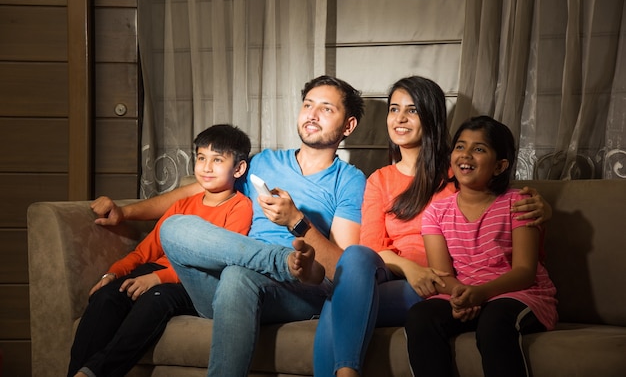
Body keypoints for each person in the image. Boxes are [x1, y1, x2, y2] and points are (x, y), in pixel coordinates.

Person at [92, 75, 367, 376]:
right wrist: (125, 212)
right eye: (308, 105)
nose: (312, 114)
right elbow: (189, 192)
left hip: (298, 288)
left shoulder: (349, 180)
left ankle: (284, 263)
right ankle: (279, 260)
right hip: (227, 285)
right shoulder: (264, 162)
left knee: (237, 276)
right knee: (174, 227)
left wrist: (296, 222)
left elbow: (345, 267)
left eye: (326, 109)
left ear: (348, 126)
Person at [312, 76, 552, 377]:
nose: (400, 118)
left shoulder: (458, 171)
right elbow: (372, 248)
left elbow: (497, 205)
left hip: (444, 281)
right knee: (356, 258)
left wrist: (543, 206)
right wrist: (410, 268)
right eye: (394, 109)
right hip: (400, 276)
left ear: (431, 115)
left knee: (339, 303)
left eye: (412, 110)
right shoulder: (380, 180)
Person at [68, 124, 254, 377]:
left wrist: (158, 278)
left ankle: (94, 373)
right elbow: (145, 252)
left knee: (155, 299)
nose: (206, 167)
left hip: (192, 282)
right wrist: (112, 273)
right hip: (156, 271)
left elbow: (220, 261)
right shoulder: (183, 204)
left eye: (217, 160)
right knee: (106, 297)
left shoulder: (240, 207)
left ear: (239, 168)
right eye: (201, 158)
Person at [404, 115, 558, 377]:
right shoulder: (437, 212)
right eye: (460, 146)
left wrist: (481, 293)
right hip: (466, 294)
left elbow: (524, 272)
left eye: (479, 149)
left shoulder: (519, 203)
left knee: (495, 320)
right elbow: (442, 275)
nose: (466, 155)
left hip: (517, 294)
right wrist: (463, 295)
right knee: (421, 316)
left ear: (499, 166)